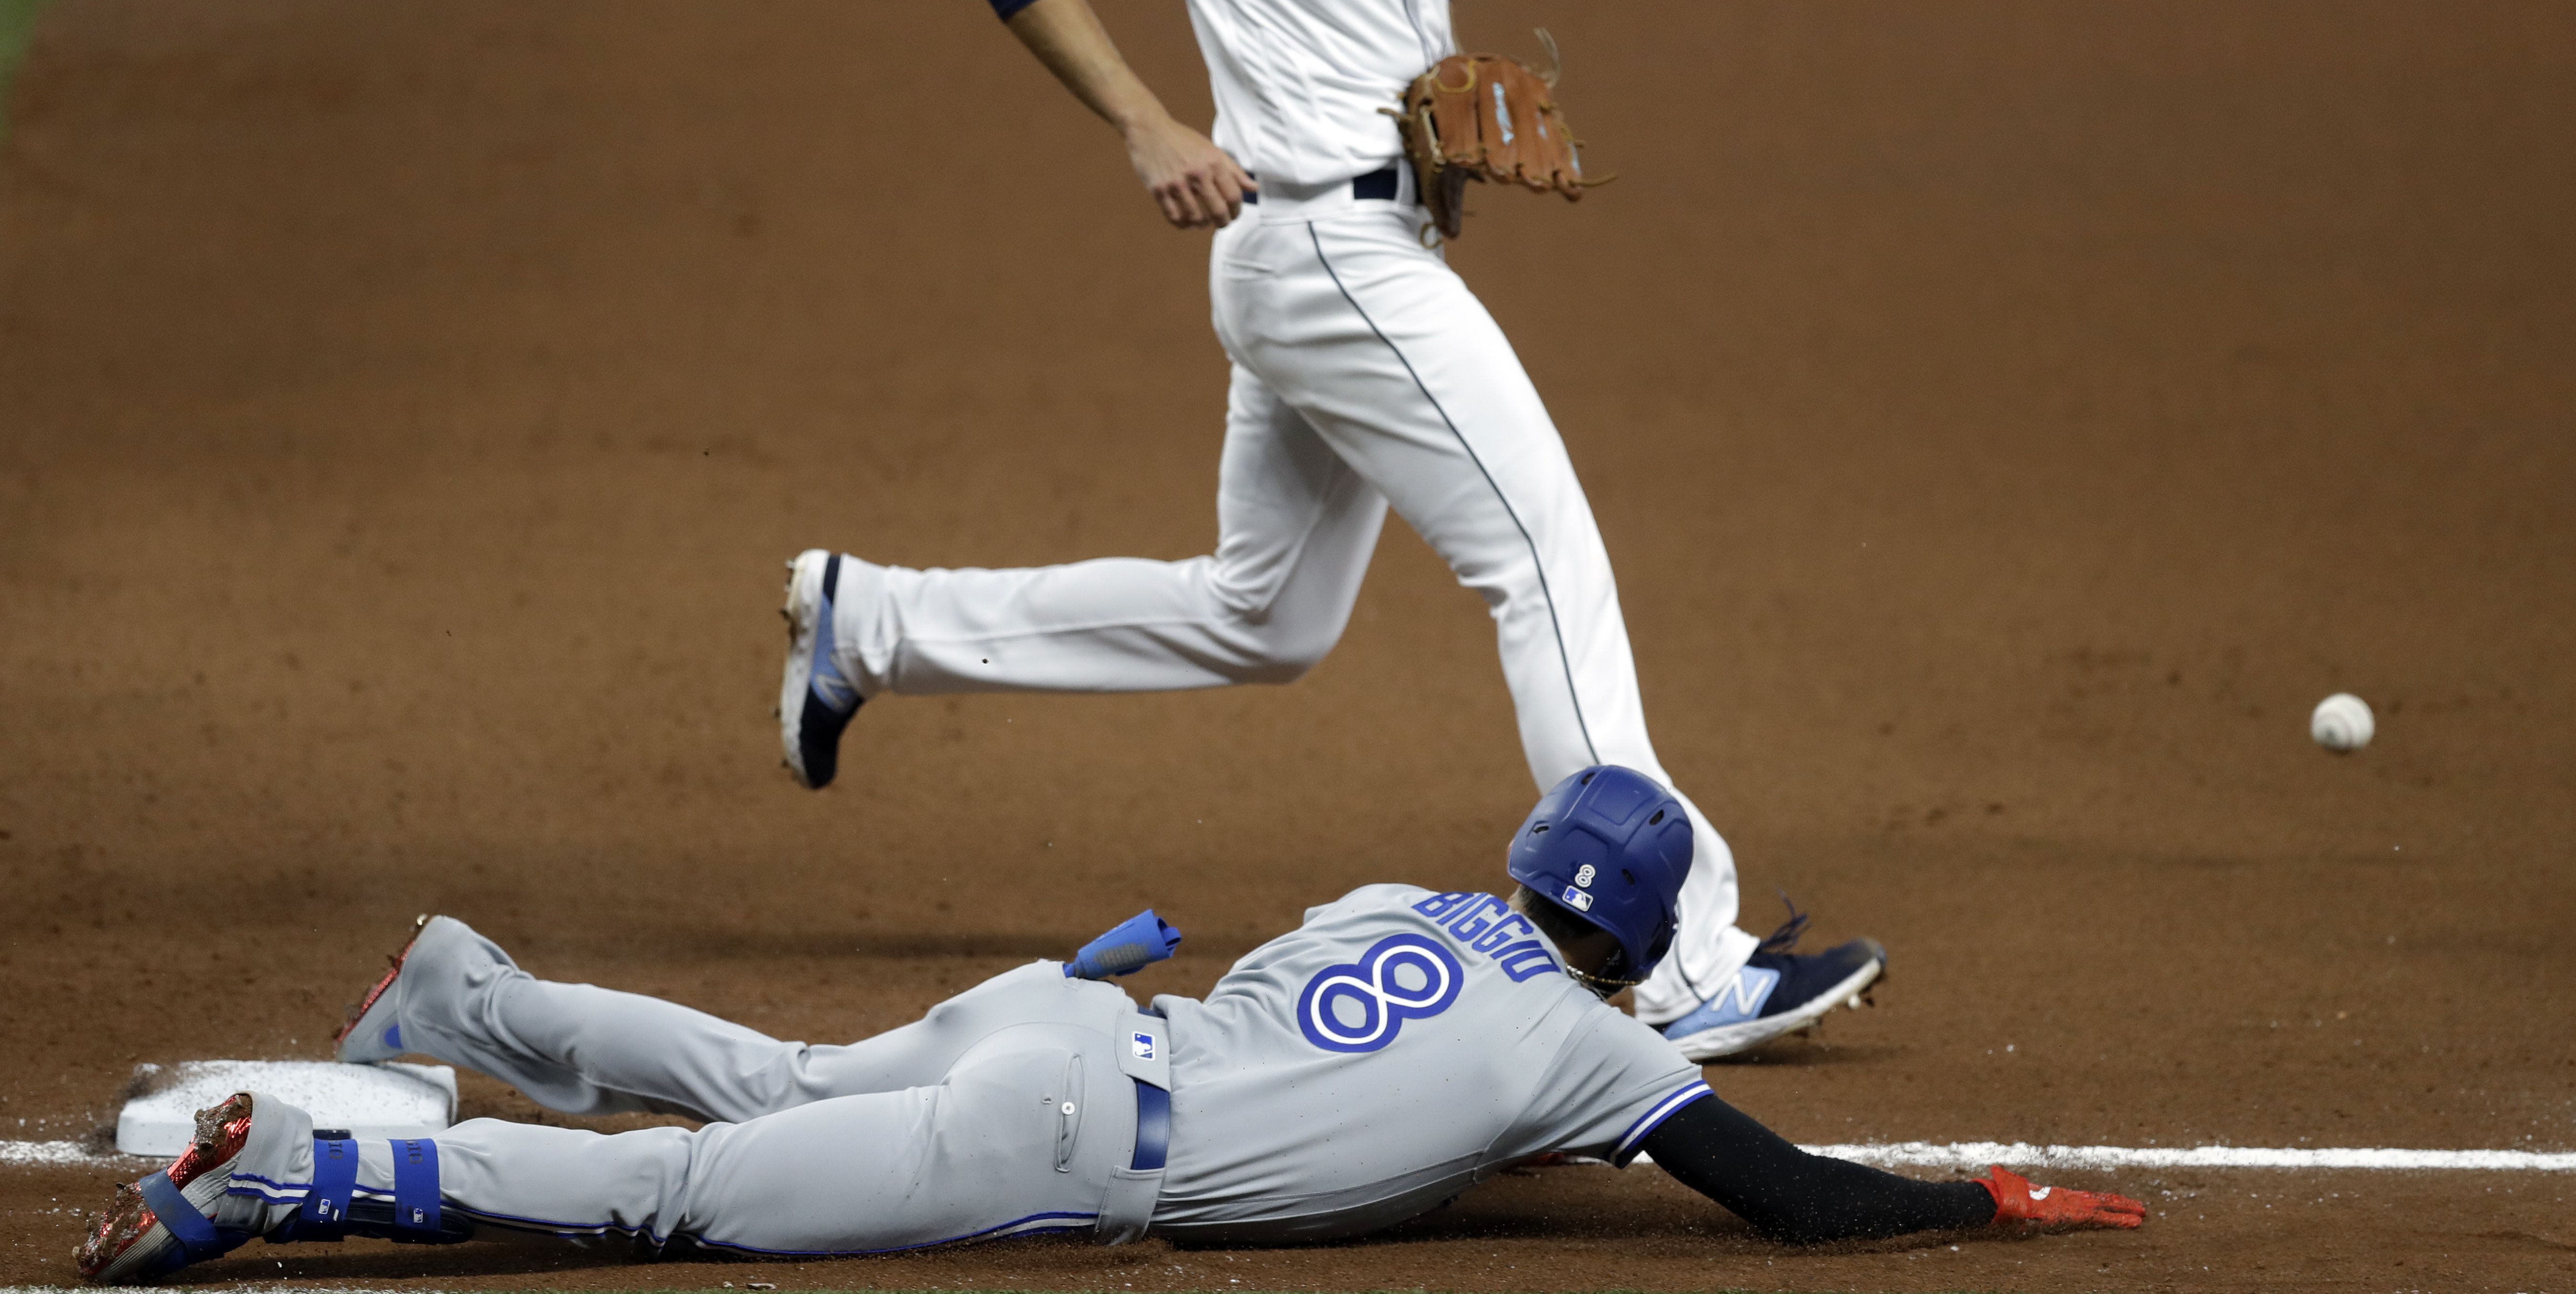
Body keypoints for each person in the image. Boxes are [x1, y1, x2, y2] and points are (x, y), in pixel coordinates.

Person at [774, 0, 1881, 1061]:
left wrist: (1430, 127)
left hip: (1373, 238)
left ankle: (876, 622)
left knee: (1267, 613)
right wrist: (1151, 124)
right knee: (1543, 559)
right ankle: (1682, 961)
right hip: (1318, 251)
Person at [78, 768, 2141, 1282]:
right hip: (1055, 1150)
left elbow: (1380, 1075)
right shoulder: (1600, 1058)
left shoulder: (1401, 902)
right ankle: (273, 1161)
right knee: (672, 1201)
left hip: (1064, 1019)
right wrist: (1972, 1198)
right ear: (1641, 941)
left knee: (778, 1083)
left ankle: (471, 992)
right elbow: (1779, 1201)